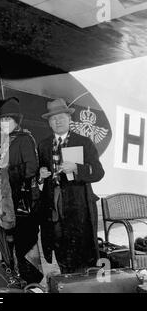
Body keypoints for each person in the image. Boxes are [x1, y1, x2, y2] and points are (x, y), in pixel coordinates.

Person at [38, 98, 105, 274]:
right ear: (49, 123)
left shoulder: (84, 142)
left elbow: (98, 172)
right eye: (53, 119)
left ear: (70, 119)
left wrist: (77, 168)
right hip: (53, 206)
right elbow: (40, 171)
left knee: (82, 253)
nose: (57, 121)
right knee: (59, 246)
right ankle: (66, 279)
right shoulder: (43, 144)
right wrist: (41, 174)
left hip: (79, 207)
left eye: (61, 117)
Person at [0, 97, 43, 284]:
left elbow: (31, 168)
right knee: (7, 241)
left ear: (16, 121)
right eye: (2, 120)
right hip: (5, 199)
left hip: (21, 201)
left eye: (8, 120)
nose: (4, 124)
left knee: (24, 245)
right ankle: (15, 279)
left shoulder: (25, 139)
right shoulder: (5, 141)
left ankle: (30, 284)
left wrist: (6, 174)